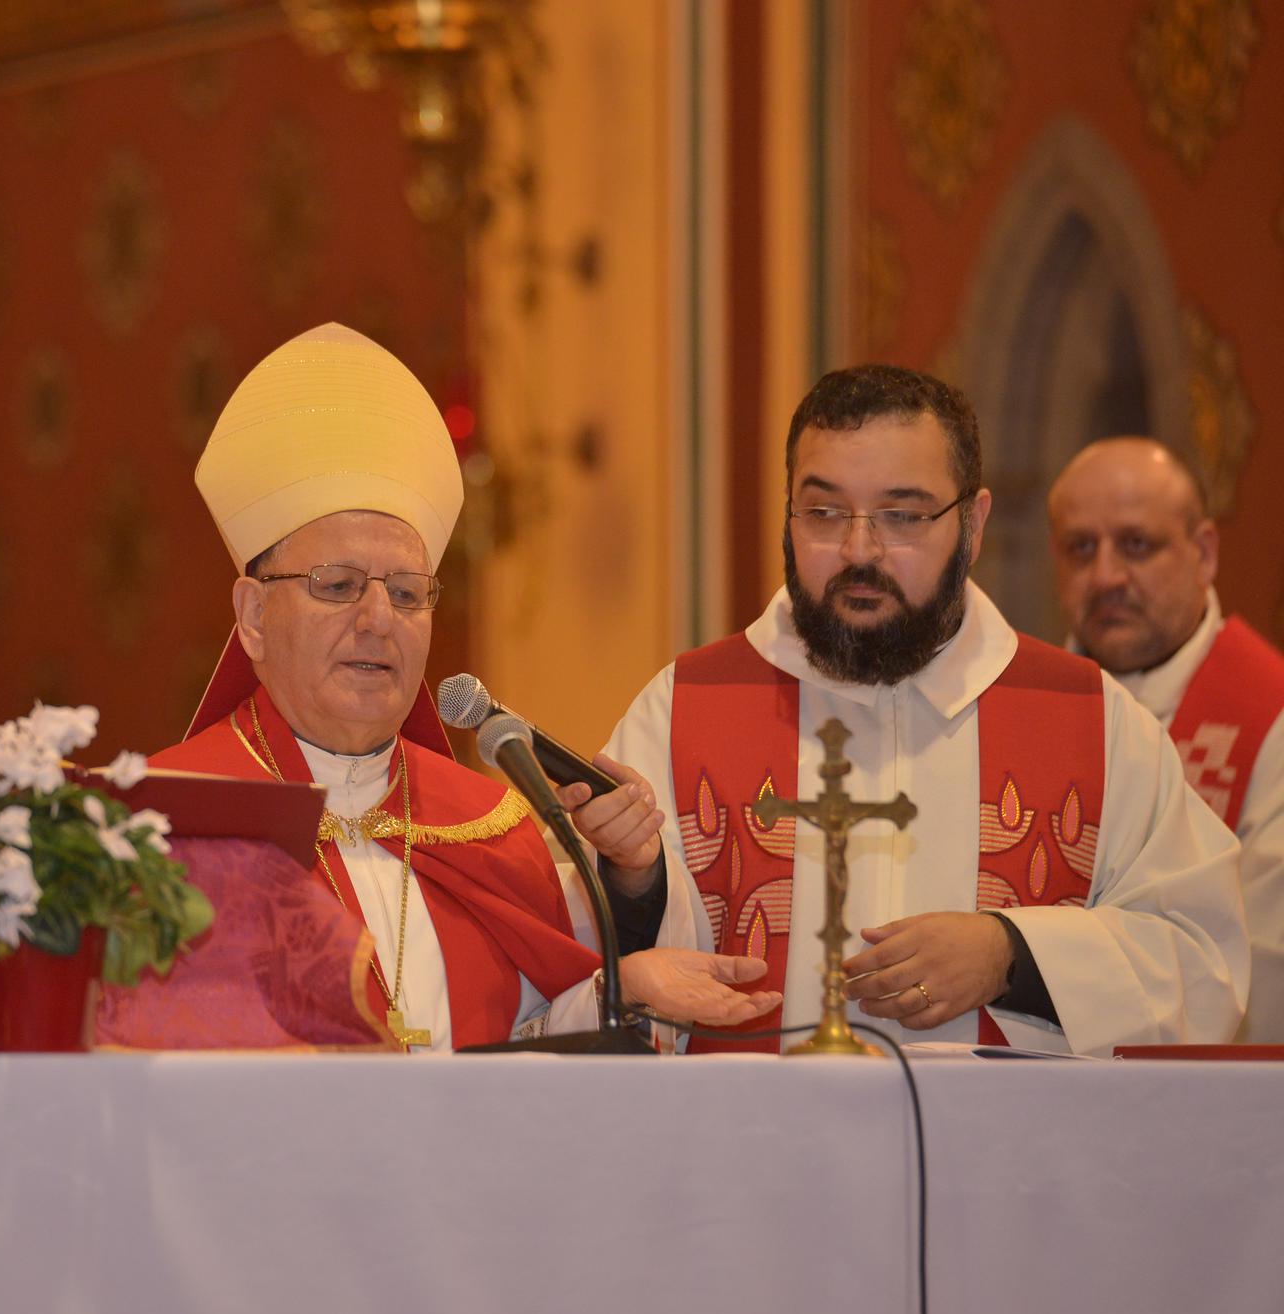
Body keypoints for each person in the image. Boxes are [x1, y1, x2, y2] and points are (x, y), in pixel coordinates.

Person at [563, 365, 1247, 1055]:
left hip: (997, 1157)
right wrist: (633, 879)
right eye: (824, 512)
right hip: (757, 1150)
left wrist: (1013, 955)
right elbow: (574, 968)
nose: (860, 550)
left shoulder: (1094, 723)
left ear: (973, 525)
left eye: (903, 514)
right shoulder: (684, 709)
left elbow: (1203, 961)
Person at [152, 322, 779, 1051]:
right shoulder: (167, 822)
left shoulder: (492, 830)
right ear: (254, 616)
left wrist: (622, 990)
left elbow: (529, 1043)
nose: (378, 619)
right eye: (339, 585)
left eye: (410, 592)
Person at [1048, 437, 1284, 1042]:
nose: (1104, 576)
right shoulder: (1034, 710)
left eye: (1136, 545)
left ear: (1204, 553)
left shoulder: (1271, 723)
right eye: (1080, 548)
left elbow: (1262, 975)